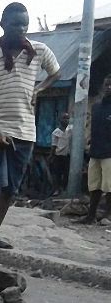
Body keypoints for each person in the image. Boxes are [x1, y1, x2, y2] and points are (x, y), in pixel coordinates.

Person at [0, 2, 60, 249]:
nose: (21, 29)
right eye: (15, 24)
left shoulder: (38, 51)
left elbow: (56, 72)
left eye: (25, 25)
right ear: (2, 24)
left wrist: (39, 89)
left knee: (11, 188)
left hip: (25, 131)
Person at [79, 76, 111, 224]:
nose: (108, 87)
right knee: (94, 185)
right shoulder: (96, 107)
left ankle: (107, 216)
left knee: (109, 186)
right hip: (95, 152)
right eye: (106, 84)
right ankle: (90, 216)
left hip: (109, 154)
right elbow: (92, 129)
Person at [49, 113, 72, 193]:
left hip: (68, 156)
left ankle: (64, 189)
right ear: (60, 120)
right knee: (57, 173)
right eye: (64, 118)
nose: (66, 120)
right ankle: (57, 189)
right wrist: (51, 156)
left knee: (67, 173)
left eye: (68, 118)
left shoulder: (71, 130)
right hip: (58, 155)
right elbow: (54, 145)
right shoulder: (56, 132)